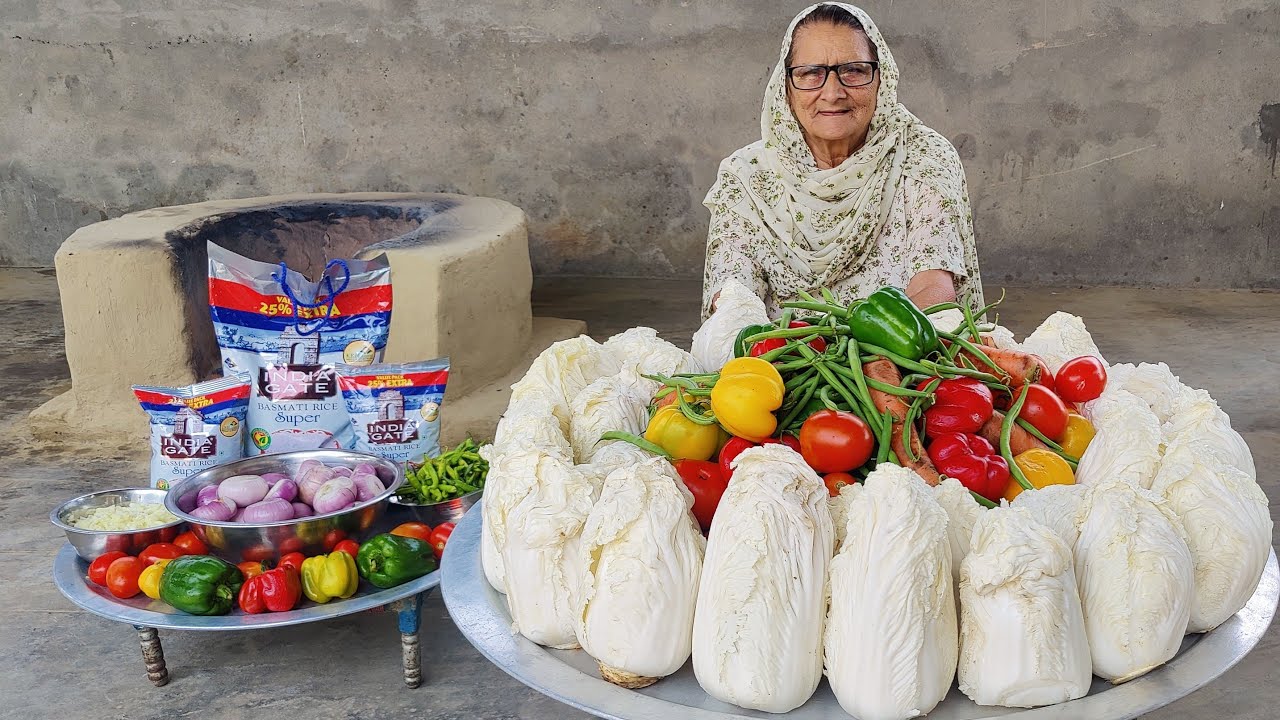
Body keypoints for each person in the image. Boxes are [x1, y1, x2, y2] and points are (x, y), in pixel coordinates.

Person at [701, 2, 984, 320]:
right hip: (779, 359)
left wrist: (859, 353)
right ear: (786, 88)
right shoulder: (746, 177)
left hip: (900, 357)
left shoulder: (923, 158)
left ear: (882, 79)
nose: (833, 92)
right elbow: (731, 298)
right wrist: (794, 352)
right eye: (810, 73)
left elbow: (935, 290)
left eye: (853, 70)